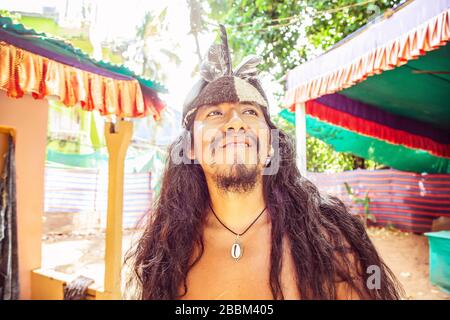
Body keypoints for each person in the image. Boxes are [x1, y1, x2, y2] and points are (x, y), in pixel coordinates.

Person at [125, 25, 403, 300]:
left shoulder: (328, 239)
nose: (235, 123)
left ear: (270, 145)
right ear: (191, 149)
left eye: (248, 111)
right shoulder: (169, 250)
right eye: (214, 114)